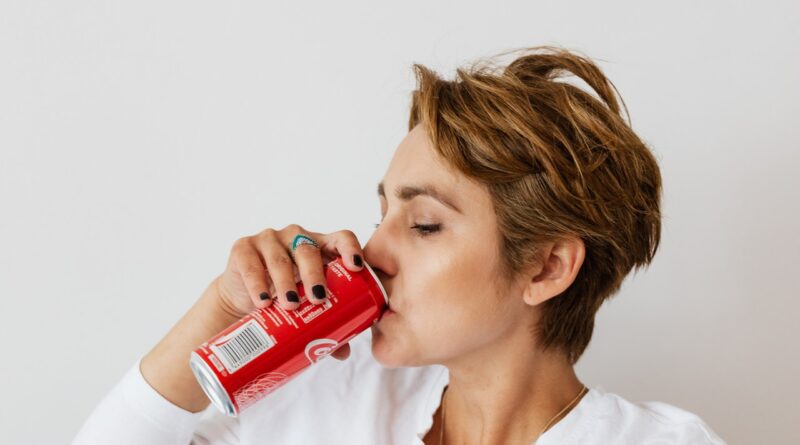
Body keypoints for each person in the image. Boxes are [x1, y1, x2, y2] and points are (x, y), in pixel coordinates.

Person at [72, 46, 726, 445]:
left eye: (424, 224)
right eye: (382, 210)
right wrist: (219, 309)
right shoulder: (331, 387)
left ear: (547, 265)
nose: (371, 249)